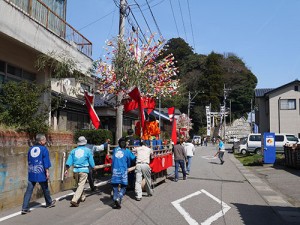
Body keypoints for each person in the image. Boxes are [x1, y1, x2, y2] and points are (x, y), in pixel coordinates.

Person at [21, 134, 56, 215]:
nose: (45, 141)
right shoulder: (44, 149)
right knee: (45, 188)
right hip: (41, 171)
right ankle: (49, 203)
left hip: (32, 171)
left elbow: (29, 160)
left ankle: (24, 208)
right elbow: (45, 161)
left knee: (29, 190)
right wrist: (47, 172)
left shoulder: (30, 149)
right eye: (44, 140)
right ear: (41, 141)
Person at [64, 136, 95, 207]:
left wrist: (66, 169)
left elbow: (69, 162)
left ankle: (82, 197)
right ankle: (74, 200)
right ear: (85, 142)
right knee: (81, 185)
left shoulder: (73, 151)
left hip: (75, 170)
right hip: (84, 170)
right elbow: (91, 161)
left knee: (80, 185)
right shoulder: (88, 150)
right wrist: (93, 167)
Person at [111, 137, 136, 209]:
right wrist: (128, 165)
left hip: (115, 170)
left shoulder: (115, 150)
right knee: (124, 186)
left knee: (115, 186)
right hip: (123, 171)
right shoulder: (127, 151)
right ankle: (119, 197)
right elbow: (132, 159)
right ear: (125, 144)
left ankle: (115, 199)